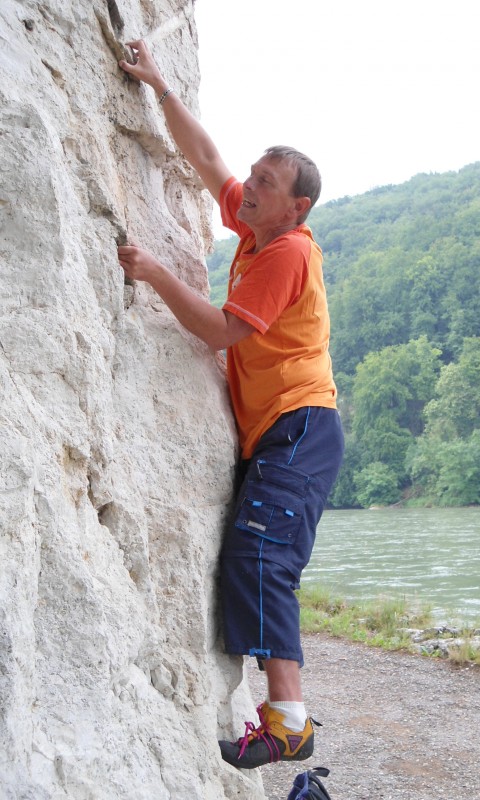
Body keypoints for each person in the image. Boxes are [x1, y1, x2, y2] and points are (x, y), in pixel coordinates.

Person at [117, 42, 344, 770]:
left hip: (301, 426)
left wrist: (152, 273)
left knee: (264, 557)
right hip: (281, 431)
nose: (247, 186)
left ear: (296, 205)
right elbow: (207, 157)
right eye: (254, 175)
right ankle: (283, 717)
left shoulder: (287, 253)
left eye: (266, 182)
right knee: (252, 556)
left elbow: (221, 330)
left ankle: (290, 725)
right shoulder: (254, 225)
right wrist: (158, 86)